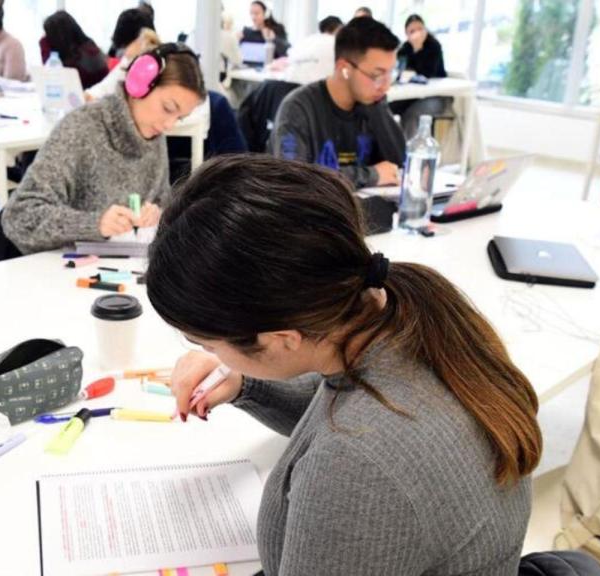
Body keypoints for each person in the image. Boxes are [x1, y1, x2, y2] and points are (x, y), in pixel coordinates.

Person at [146, 154, 541, 574]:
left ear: (282, 339)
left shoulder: (354, 470)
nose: (211, 357)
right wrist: (249, 383)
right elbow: (345, 407)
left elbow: (360, 444)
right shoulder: (409, 318)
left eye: (208, 343)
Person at [0, 44, 205, 254]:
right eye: (168, 108)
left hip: (112, 269)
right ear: (139, 84)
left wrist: (157, 214)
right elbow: (19, 216)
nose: (170, 124)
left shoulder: (153, 134)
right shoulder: (81, 129)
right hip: (55, 269)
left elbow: (161, 201)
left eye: (179, 117)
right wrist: (95, 224)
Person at [270, 16, 405, 189]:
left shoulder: (372, 102)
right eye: (377, 75)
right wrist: (371, 175)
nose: (385, 86)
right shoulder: (298, 107)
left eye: (390, 74)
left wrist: (378, 108)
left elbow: (399, 167)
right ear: (344, 69)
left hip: (366, 210)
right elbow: (293, 181)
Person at [391, 14, 451, 139]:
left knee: (413, 113)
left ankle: (407, 152)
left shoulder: (434, 46)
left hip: (435, 96)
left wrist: (417, 48)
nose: (417, 34)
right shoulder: (405, 49)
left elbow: (427, 73)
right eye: (412, 31)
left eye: (420, 29)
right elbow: (399, 71)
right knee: (388, 108)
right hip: (411, 95)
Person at [39, 10, 109, 89]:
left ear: (58, 37)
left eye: (48, 35)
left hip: (92, 97)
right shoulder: (87, 46)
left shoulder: (82, 55)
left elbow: (54, 77)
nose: (46, 38)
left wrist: (43, 43)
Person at [87, 27, 159, 101]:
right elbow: (104, 87)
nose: (132, 44)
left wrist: (91, 96)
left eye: (137, 42)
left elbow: (108, 92)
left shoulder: (131, 68)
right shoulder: (125, 61)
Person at [280, 16, 343, 85]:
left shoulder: (307, 40)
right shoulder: (336, 43)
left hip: (289, 84)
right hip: (315, 88)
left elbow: (290, 57)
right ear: (339, 28)